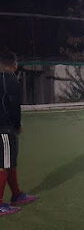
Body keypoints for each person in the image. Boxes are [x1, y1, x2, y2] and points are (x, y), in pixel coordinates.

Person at [0, 51, 37, 216]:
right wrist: (17, 124)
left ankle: (17, 195)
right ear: (14, 65)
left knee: (10, 163)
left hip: (4, 128)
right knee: (4, 165)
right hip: (4, 130)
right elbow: (14, 107)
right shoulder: (10, 80)